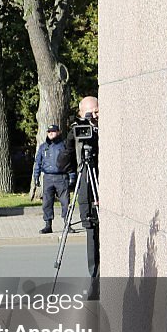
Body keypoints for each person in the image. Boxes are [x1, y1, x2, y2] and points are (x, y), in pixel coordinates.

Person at [59, 96, 100, 298]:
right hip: (86, 187)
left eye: (97, 111)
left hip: (104, 186)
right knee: (92, 234)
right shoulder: (77, 133)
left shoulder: (105, 130)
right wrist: (69, 141)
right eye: (89, 113)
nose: (93, 116)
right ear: (80, 113)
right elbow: (62, 165)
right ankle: (95, 281)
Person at [33, 124, 75, 234]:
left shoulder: (64, 146)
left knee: (65, 202)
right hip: (48, 177)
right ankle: (48, 225)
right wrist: (36, 177)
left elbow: (70, 162)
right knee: (47, 202)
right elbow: (38, 162)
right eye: (49, 131)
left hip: (62, 177)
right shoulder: (43, 147)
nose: (51, 133)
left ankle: (67, 224)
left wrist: (72, 176)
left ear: (59, 132)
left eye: (53, 131)